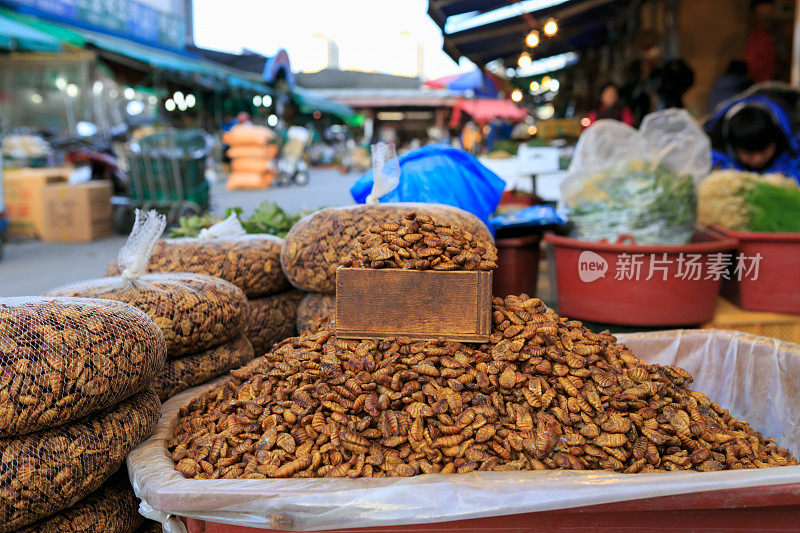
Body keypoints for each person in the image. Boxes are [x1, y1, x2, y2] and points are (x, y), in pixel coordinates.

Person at [705, 95, 800, 183]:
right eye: (749, 154)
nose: (757, 159)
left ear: (776, 140)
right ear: (732, 148)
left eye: (763, 151)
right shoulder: (711, 151)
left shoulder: (795, 139)